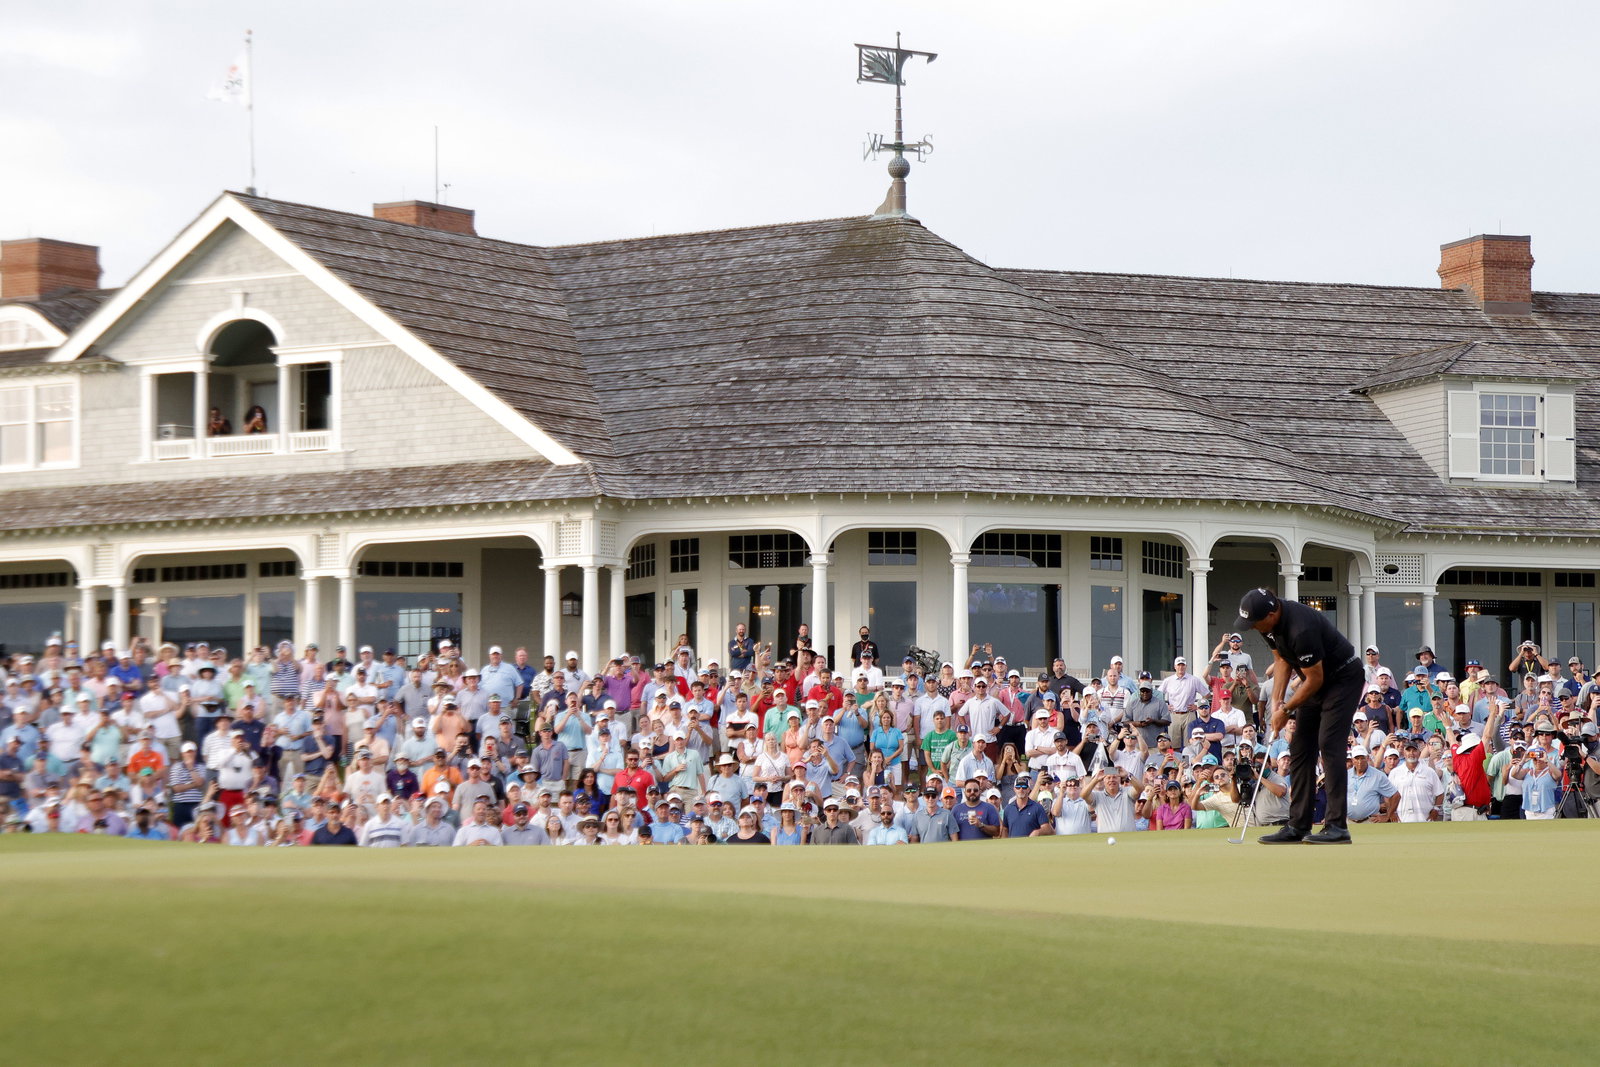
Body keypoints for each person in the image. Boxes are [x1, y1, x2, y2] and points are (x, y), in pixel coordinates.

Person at [1239, 588, 1364, 844]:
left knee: (1329, 744)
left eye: (1254, 623)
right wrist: (1277, 701)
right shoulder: (1268, 624)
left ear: (1272, 614)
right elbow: (1282, 658)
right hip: (1315, 679)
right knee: (1300, 747)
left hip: (1342, 678)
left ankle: (1337, 827)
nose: (1251, 628)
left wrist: (1285, 711)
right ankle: (1298, 825)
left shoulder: (1301, 629)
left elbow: (1316, 678)